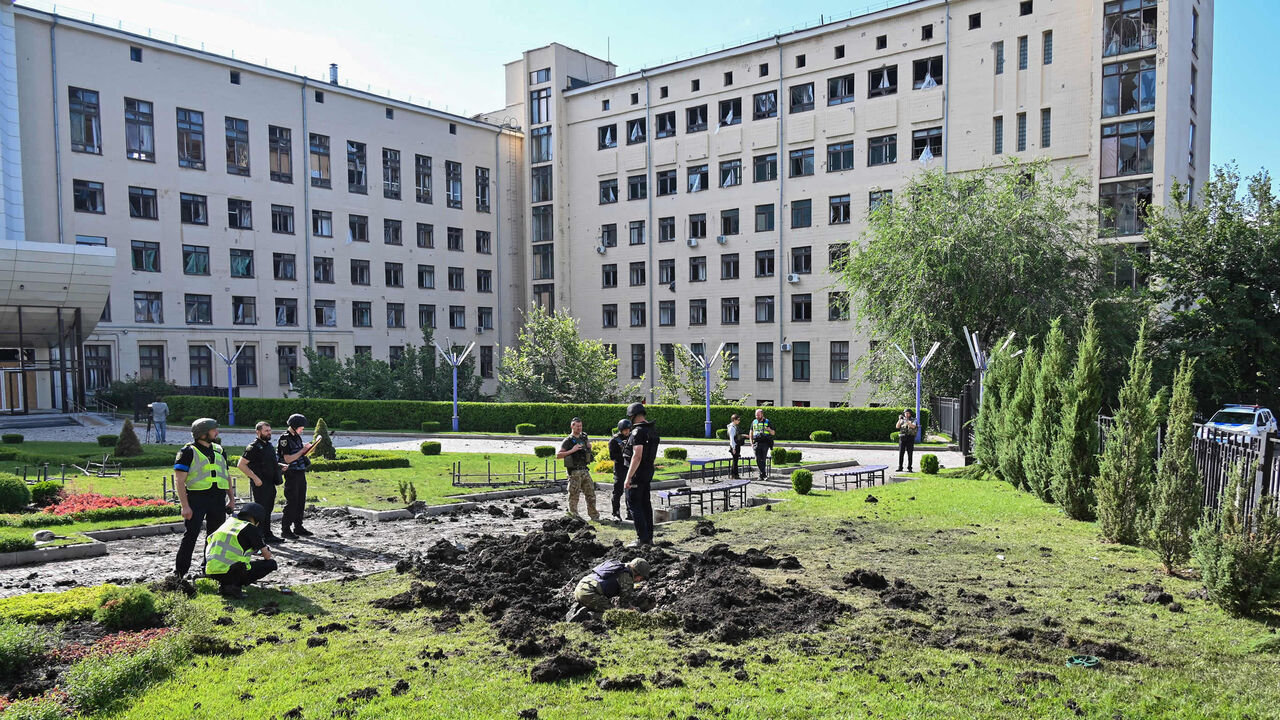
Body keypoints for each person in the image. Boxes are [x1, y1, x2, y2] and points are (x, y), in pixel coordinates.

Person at [173, 418, 235, 578]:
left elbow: (226, 475)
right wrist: (185, 506)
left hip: (217, 499)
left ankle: (210, 568)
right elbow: (179, 481)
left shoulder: (219, 450)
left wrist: (232, 498)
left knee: (215, 536)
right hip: (196, 499)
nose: (217, 432)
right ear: (203, 433)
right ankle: (179, 572)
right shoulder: (188, 451)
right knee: (191, 536)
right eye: (214, 429)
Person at [204, 501, 278, 599]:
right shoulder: (250, 528)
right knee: (271, 564)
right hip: (232, 572)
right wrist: (264, 551)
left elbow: (235, 546)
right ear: (257, 519)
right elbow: (267, 556)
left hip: (211, 570)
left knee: (236, 564)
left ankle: (225, 586)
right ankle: (234, 587)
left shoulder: (229, 523)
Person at [237, 421, 285, 544]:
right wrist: (255, 478)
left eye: (270, 430)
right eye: (266, 431)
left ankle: (267, 534)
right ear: (258, 432)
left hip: (270, 482)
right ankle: (258, 537)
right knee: (260, 511)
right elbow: (241, 465)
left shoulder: (268, 445)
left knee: (268, 509)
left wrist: (280, 466)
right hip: (260, 484)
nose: (269, 433)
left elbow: (268, 463)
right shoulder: (253, 447)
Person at [565, 557, 650, 622]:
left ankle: (580, 608)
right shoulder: (627, 577)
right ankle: (588, 616)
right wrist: (634, 610)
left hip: (579, 588)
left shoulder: (618, 565)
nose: (639, 580)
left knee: (603, 604)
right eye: (641, 578)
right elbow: (624, 604)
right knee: (614, 614)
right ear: (637, 573)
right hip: (589, 593)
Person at [623, 402, 660, 547]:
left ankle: (642, 539)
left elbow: (637, 455)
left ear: (632, 416)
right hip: (648, 470)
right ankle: (649, 538)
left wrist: (628, 477)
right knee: (645, 503)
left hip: (638, 472)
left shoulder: (638, 432)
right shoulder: (651, 430)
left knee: (633, 503)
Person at [277, 413, 316, 539]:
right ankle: (285, 529)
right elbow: (288, 459)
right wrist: (302, 451)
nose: (302, 430)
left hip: (300, 472)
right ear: (293, 426)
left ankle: (298, 526)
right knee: (292, 502)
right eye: (301, 427)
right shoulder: (284, 439)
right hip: (291, 473)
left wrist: (308, 450)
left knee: (300, 501)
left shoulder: (297, 437)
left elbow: (299, 455)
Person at [557, 417, 598, 521]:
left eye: (581, 426)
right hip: (574, 471)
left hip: (585, 470)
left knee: (591, 494)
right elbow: (559, 455)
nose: (579, 428)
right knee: (574, 495)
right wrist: (572, 450)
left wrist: (589, 447)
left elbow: (586, 451)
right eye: (577, 426)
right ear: (572, 426)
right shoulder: (568, 440)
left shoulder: (584, 437)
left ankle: (594, 516)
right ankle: (574, 516)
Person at [608, 419, 633, 521]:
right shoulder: (615, 440)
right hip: (620, 467)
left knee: (630, 491)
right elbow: (612, 456)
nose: (627, 432)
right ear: (621, 430)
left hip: (630, 467)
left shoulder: (632, 437)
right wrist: (622, 451)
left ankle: (630, 513)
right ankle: (616, 513)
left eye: (628, 430)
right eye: (625, 430)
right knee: (618, 491)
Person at [750, 408, 776, 481]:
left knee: (763, 459)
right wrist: (751, 443)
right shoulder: (754, 422)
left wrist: (769, 430)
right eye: (756, 415)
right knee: (758, 459)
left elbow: (773, 433)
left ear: (762, 414)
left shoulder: (767, 422)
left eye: (758, 415)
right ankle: (763, 474)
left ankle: (761, 475)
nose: (757, 416)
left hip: (765, 443)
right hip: (756, 442)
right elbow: (751, 433)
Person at [726, 413, 743, 480]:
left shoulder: (734, 427)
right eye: (738, 420)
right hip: (734, 446)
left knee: (735, 460)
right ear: (734, 420)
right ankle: (734, 474)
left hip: (736, 445)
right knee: (735, 461)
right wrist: (733, 448)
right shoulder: (732, 428)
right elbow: (732, 439)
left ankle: (735, 474)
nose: (739, 421)